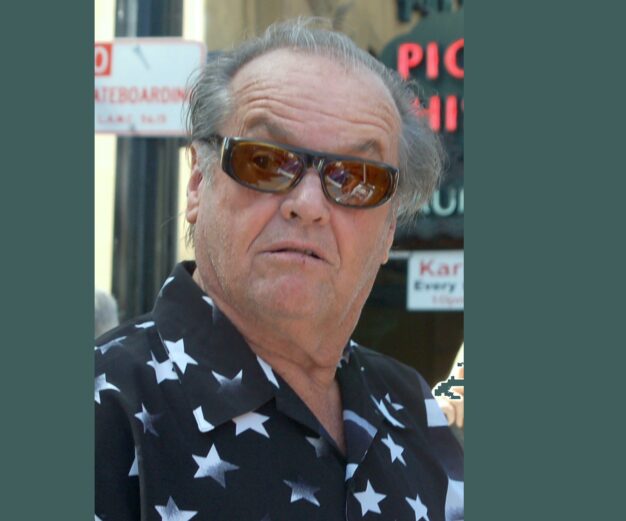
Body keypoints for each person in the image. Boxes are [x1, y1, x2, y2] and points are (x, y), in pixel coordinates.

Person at [95, 18, 463, 521]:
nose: (308, 205)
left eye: (356, 178)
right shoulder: (102, 411)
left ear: (389, 230)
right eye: (266, 161)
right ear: (198, 182)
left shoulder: (412, 407)